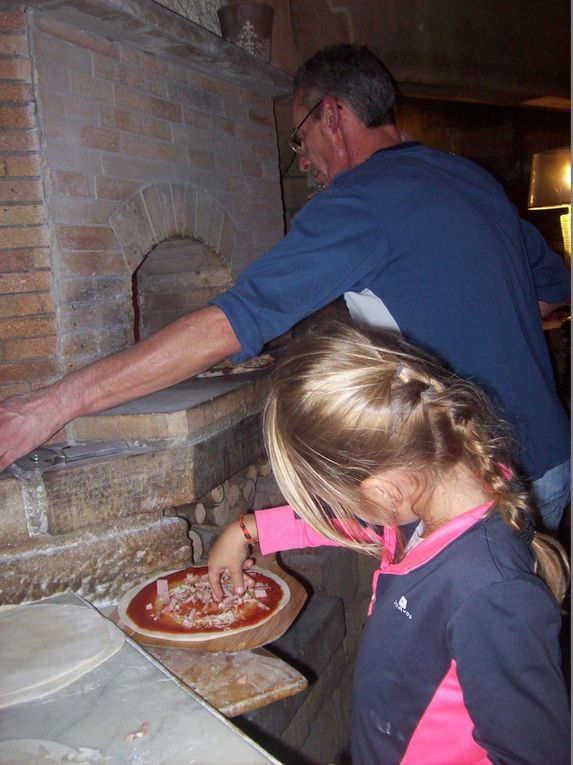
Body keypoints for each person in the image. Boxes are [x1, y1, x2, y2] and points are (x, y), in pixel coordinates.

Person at [0, 45, 569, 529]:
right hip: (551, 457)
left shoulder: (356, 201)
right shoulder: (468, 175)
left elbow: (234, 322)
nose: (303, 163)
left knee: (464, 653)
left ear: (332, 115)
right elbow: (549, 294)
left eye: (299, 139)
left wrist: (51, 405)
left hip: (482, 483)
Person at [208, 323, 570, 765]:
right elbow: (350, 525)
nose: (345, 511)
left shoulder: (489, 596)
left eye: (342, 497)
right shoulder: (434, 494)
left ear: (384, 493)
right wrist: (247, 530)